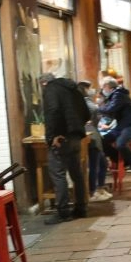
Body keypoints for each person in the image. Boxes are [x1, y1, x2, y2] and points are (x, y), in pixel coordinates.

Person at [40, 73, 89, 223]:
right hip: (76, 136)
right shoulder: (73, 89)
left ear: (43, 83)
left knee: (57, 173)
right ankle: (81, 208)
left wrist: (53, 136)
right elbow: (86, 112)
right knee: (76, 174)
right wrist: (76, 128)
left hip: (61, 138)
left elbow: (52, 112)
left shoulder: (51, 90)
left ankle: (63, 212)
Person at [97, 76, 131, 173]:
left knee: (120, 143)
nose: (102, 90)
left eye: (102, 87)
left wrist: (97, 108)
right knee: (102, 141)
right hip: (121, 127)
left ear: (107, 86)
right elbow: (110, 112)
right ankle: (122, 161)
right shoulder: (114, 96)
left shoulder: (119, 95)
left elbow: (110, 109)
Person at [77, 80, 111, 202]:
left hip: (93, 134)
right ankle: (94, 191)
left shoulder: (87, 102)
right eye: (89, 88)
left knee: (99, 163)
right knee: (95, 164)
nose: (92, 90)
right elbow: (95, 115)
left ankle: (98, 189)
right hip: (91, 137)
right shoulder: (86, 103)